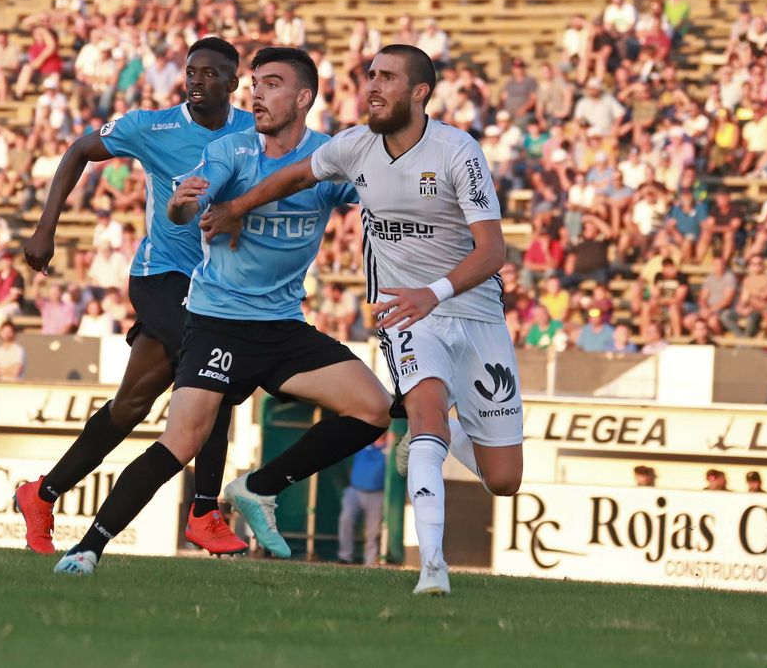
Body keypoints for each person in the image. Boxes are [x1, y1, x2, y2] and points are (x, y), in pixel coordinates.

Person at [53, 47, 389, 579]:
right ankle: (88, 547)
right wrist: (180, 203)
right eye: (255, 83)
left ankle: (259, 487)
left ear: (303, 98)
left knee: (373, 408)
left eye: (272, 83)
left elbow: (377, 198)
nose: (256, 93)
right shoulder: (232, 150)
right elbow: (187, 205)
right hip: (218, 322)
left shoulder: (329, 156)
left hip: (281, 328)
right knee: (181, 441)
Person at [202, 45, 521, 596]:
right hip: (403, 309)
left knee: (504, 481)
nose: (373, 85)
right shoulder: (354, 145)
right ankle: (433, 569)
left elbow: (493, 252)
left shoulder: (457, 150)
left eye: (388, 77)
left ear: (420, 92)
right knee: (424, 411)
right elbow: (295, 178)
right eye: (370, 75)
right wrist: (237, 208)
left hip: (472, 310)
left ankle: (439, 438)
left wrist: (435, 291)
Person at [16, 37, 256, 557]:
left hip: (217, 284)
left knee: (130, 407)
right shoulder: (153, 126)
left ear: (234, 84)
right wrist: (45, 230)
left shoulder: (252, 130)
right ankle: (205, 510)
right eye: (191, 71)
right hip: (162, 278)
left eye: (211, 73)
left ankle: (42, 493)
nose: (196, 80)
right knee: (216, 368)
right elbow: (80, 148)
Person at [336, 433, 388, 565]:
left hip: (377, 493)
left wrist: (391, 444)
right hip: (354, 490)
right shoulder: (364, 442)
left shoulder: (389, 448)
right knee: (345, 519)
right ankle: (345, 557)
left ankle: (370, 562)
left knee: (373, 530)